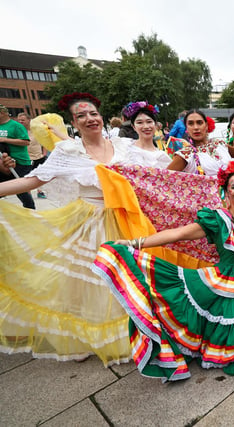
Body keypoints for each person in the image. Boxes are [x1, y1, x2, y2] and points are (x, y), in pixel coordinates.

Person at [92, 161, 234, 382]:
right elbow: (178, 234)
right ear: (225, 192)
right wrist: (134, 243)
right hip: (229, 284)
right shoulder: (216, 219)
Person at [0, 92, 137, 364]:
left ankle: (135, 329)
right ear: (74, 122)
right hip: (90, 220)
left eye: (93, 114)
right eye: (82, 116)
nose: (90, 119)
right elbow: (32, 181)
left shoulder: (123, 146)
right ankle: (88, 337)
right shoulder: (68, 151)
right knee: (88, 280)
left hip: (127, 220)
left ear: (101, 116)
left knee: (129, 276)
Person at [167, 109, 231, 175]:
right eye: (190, 124)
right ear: (186, 128)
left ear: (206, 125)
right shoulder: (185, 155)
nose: (196, 127)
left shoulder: (220, 144)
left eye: (199, 123)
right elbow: (164, 179)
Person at [0, 104, 35, 209]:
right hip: (3, 164)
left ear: (2, 113)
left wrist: (5, 140)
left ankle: (30, 210)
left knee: (21, 191)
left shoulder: (16, 125)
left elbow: (26, 142)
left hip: (19, 162)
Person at [122, 101, 171, 168]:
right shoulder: (124, 147)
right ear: (133, 126)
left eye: (149, 122)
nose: (146, 126)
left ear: (155, 124)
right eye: (139, 122)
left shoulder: (163, 157)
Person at [17, 112, 48, 198]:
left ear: (29, 120)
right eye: (19, 120)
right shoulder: (19, 131)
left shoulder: (36, 130)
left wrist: (44, 154)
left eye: (22, 120)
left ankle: (40, 191)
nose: (20, 122)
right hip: (26, 158)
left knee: (39, 175)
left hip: (38, 156)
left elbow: (44, 142)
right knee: (26, 177)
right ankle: (28, 194)